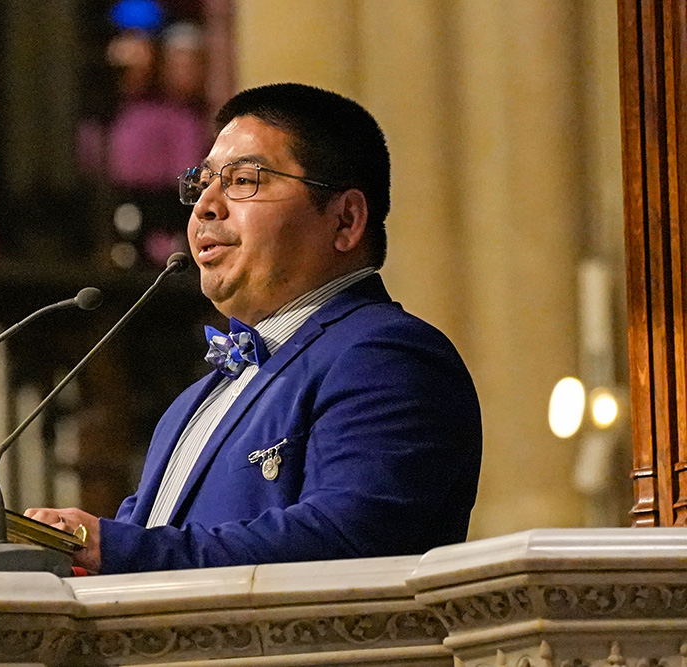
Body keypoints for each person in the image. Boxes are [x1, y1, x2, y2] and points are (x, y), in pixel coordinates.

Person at [26, 83, 482, 574]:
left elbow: (346, 545)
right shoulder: (194, 401)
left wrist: (113, 547)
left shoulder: (386, 357)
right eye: (201, 184)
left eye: (243, 180)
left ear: (346, 220)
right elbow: (135, 553)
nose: (205, 206)